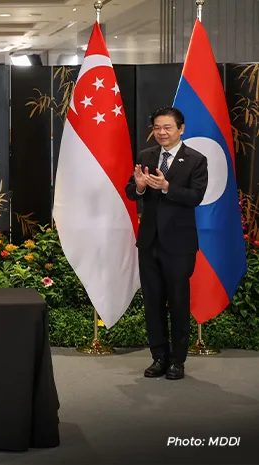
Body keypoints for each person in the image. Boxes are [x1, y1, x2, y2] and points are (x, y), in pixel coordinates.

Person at [125, 106, 208, 381]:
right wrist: (138, 186)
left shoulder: (196, 159)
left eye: (167, 128)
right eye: (158, 128)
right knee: (152, 302)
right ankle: (159, 357)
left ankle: (177, 361)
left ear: (181, 129)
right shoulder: (146, 156)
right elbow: (131, 191)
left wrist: (166, 187)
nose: (162, 132)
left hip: (179, 244)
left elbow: (195, 196)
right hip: (149, 242)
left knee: (178, 301)